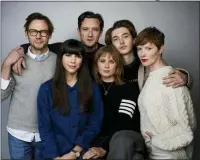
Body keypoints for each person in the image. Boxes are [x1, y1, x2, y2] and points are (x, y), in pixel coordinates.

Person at [1, 12, 56, 159]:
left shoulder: (59, 61)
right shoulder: (15, 60)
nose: (38, 36)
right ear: (27, 34)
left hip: (47, 133)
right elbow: (1, 96)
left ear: (50, 35)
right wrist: (6, 64)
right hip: (18, 132)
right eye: (33, 31)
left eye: (43, 32)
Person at [135, 26, 196, 159]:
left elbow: (186, 132)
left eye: (148, 48)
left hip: (169, 154)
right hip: (154, 152)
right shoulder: (150, 76)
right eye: (140, 49)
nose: (142, 54)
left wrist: (157, 141)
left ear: (161, 49)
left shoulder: (171, 80)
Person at [37, 39, 103, 159]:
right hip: (53, 152)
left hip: (83, 151)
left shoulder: (92, 88)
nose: (73, 60)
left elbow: (95, 124)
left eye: (77, 56)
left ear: (82, 59)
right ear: (60, 58)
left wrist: (74, 152)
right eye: (68, 55)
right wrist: (56, 157)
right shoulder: (46, 89)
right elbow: (45, 128)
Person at [82, 45, 145, 160]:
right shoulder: (90, 88)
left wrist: (104, 148)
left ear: (117, 65)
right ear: (96, 64)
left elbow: (124, 121)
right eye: (102, 61)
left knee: (123, 144)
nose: (106, 66)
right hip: (97, 139)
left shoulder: (128, 88)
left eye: (111, 61)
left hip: (124, 138)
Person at [105, 20, 192, 91]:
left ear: (134, 39)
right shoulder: (109, 65)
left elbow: (166, 71)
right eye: (116, 39)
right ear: (111, 44)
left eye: (125, 36)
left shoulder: (146, 59)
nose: (121, 42)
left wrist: (185, 77)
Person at [11, 11, 104, 75]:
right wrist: (21, 53)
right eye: (85, 29)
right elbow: (40, 44)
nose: (90, 34)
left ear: (101, 32)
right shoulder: (66, 48)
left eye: (95, 30)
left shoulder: (108, 53)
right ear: (78, 31)